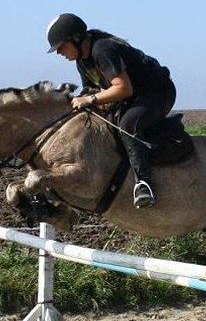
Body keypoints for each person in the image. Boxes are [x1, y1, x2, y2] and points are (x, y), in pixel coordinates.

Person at [46, 13, 176, 209]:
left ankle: (144, 183)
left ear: (75, 38)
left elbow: (124, 88)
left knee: (127, 124)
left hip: (157, 93)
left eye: (61, 47)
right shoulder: (82, 61)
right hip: (133, 97)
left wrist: (89, 99)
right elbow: (92, 91)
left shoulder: (103, 49)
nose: (59, 53)